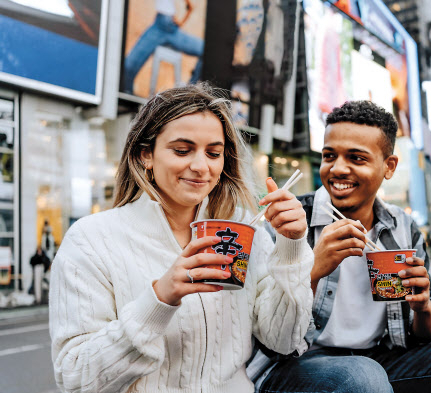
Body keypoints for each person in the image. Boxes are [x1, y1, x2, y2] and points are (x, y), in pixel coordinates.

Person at [250, 101, 431, 393]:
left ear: (389, 166)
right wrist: (312, 269)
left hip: (381, 361)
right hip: (297, 366)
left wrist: (422, 307)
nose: (337, 168)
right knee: (362, 376)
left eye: (356, 158)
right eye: (329, 155)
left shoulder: (401, 227)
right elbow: (271, 343)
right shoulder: (289, 223)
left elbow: (425, 335)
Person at [49, 83, 314, 393]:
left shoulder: (243, 228)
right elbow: (76, 378)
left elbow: (283, 341)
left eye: (214, 153)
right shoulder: (91, 239)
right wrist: (160, 299)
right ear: (146, 154)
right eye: (182, 150)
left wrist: (292, 245)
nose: (201, 167)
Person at [123, 0, 204, 94]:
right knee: (128, 65)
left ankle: (190, 91)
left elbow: (190, 7)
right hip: (159, 26)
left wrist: (182, 21)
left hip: (171, 29)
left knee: (204, 49)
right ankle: (127, 94)